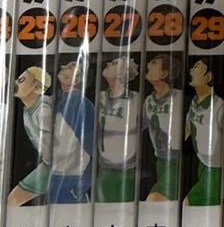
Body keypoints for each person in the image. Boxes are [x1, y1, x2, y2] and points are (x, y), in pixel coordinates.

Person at [47, 58, 96, 203]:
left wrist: (84, 182)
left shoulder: (81, 104)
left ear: (78, 78)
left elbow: (90, 145)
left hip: (73, 178)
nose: (63, 65)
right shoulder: (58, 101)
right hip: (57, 175)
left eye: (71, 66)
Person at [95, 57, 141, 202]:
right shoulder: (100, 97)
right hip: (104, 168)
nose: (107, 63)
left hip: (126, 170)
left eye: (114, 63)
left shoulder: (135, 99)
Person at [7, 67, 53, 206]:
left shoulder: (44, 111)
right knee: (12, 201)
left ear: (36, 86)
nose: (16, 83)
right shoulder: (28, 109)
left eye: (21, 80)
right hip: (49, 165)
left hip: (61, 167)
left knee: (13, 201)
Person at [183, 58, 224, 206]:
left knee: (189, 205)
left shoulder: (219, 106)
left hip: (215, 170)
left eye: (196, 67)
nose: (191, 70)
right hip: (202, 165)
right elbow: (188, 129)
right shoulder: (194, 102)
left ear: (208, 77)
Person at [142, 54, 184, 201]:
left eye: (153, 63)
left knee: (154, 199)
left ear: (164, 73)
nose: (148, 65)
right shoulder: (148, 101)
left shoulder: (179, 97)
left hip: (177, 161)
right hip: (160, 160)